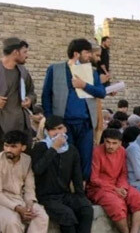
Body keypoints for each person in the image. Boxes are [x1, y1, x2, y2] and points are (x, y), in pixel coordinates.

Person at [32, 115, 94, 233]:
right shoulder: (41, 148)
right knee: (66, 214)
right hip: (46, 196)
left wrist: (81, 196)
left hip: (64, 194)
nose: (58, 132)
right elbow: (38, 169)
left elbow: (77, 176)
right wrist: (53, 148)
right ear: (47, 132)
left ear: (65, 129)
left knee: (86, 209)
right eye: (53, 130)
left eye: (60, 128)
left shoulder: (71, 149)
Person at [42, 38, 107, 181]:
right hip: (63, 125)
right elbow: (46, 95)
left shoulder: (92, 72)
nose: (90, 56)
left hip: (85, 124)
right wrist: (50, 120)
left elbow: (101, 93)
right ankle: (65, 191)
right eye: (87, 52)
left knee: (85, 159)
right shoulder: (55, 69)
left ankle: (82, 190)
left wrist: (84, 85)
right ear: (76, 54)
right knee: (65, 158)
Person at [88, 129, 140, 233]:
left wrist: (123, 188)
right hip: (99, 188)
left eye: (114, 143)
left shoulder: (122, 152)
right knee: (116, 205)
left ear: (120, 143)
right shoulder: (96, 152)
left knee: (139, 200)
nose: (110, 146)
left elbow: (123, 173)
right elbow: (94, 179)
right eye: (108, 142)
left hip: (118, 185)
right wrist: (115, 189)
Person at [0, 130, 49, 233]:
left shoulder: (27, 160)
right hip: (3, 200)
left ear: (23, 148)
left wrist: (29, 204)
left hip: (20, 199)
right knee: (11, 221)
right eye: (6, 146)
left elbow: (29, 187)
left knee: (41, 216)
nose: (8, 149)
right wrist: (18, 209)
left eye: (13, 146)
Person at [0, 38, 36, 143]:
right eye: (24, 52)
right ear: (16, 52)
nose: (27, 55)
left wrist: (29, 100)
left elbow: (31, 92)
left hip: (20, 126)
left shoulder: (23, 72)